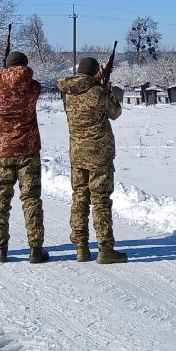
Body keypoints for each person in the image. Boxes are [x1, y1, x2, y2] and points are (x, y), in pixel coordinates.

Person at [57, 56, 127, 264]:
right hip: (99, 154)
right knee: (100, 199)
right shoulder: (98, 93)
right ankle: (105, 248)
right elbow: (115, 113)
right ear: (95, 72)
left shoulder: (68, 93)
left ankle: (81, 246)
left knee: (79, 196)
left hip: (77, 153)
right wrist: (107, 90)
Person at [0, 51, 48, 264]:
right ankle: (35, 248)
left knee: (1, 199)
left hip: (3, 151)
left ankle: (1, 249)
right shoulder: (34, 88)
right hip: (29, 150)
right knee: (31, 198)